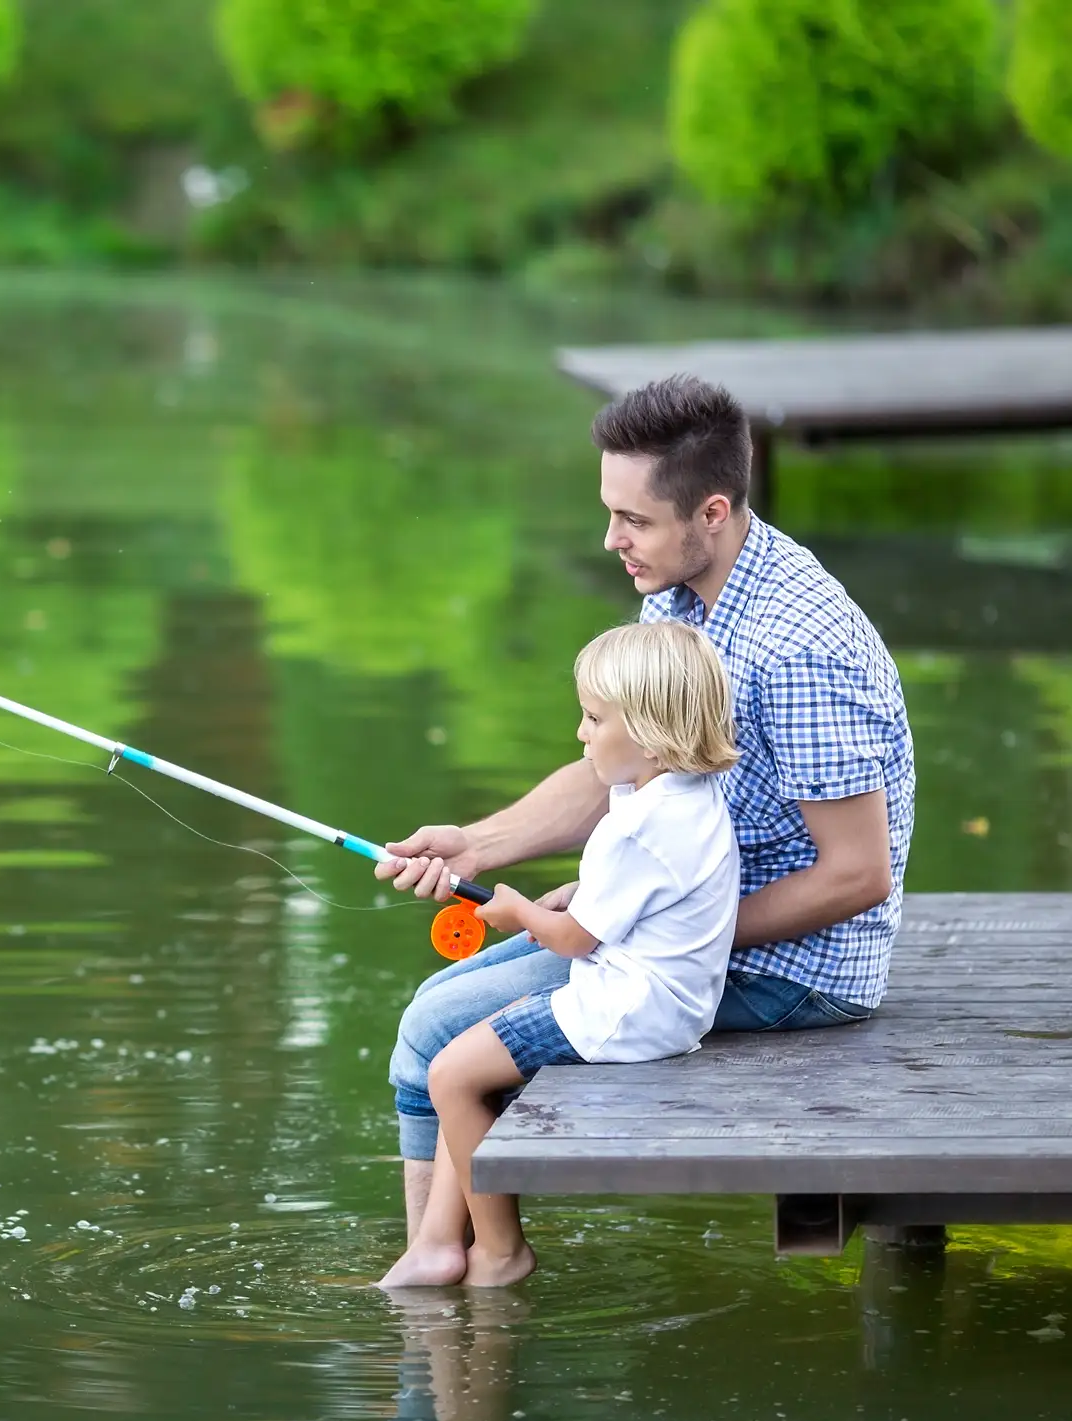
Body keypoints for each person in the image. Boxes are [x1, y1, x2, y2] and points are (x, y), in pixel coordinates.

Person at [379, 374, 916, 1244]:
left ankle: (452, 1287)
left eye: (634, 520)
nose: (610, 539)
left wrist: (646, 925)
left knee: (437, 1027)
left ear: (711, 511)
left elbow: (857, 874)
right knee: (442, 1001)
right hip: (682, 926)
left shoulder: (801, 648)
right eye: (610, 511)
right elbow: (620, 770)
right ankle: (447, 1269)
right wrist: (478, 845)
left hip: (798, 972)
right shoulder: (678, 590)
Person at [378, 621, 741, 1287]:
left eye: (594, 718)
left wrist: (518, 911)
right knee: (463, 1053)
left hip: (624, 1010)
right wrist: (574, 893)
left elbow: (577, 939)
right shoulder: (680, 796)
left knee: (452, 1074)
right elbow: (641, 894)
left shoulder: (636, 826)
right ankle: (436, 1241)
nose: (580, 733)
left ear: (652, 731)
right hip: (661, 1001)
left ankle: (497, 1251)